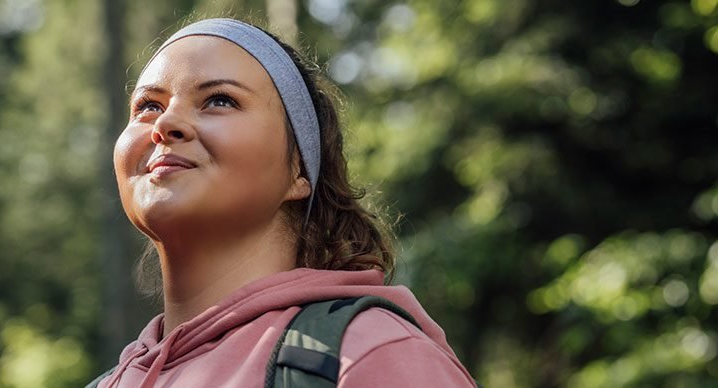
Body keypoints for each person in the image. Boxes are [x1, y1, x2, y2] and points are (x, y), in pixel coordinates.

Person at [93, 17, 477, 387]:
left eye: (219, 100)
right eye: (147, 106)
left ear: (299, 170)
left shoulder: (370, 354)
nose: (164, 124)